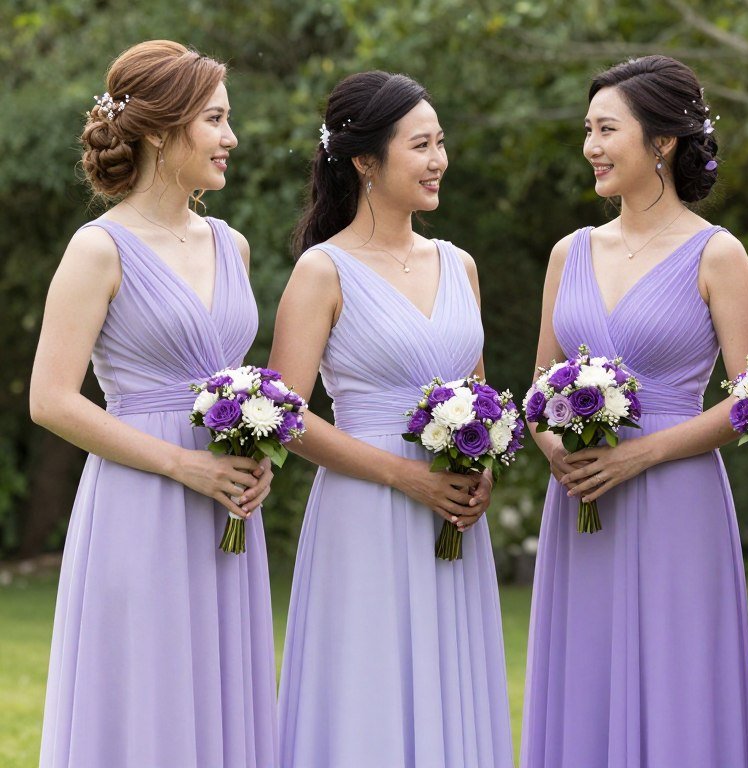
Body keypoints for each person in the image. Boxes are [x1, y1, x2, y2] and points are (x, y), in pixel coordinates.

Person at [31, 40, 277, 767]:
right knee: (148, 694)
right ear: (162, 131)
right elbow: (49, 398)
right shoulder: (98, 249)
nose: (231, 138)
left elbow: (234, 375)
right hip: (140, 501)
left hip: (228, 505)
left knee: (220, 694)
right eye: (216, 120)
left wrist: (251, 452)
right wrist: (183, 466)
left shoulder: (231, 246)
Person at [520, 55, 748, 768]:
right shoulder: (570, 253)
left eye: (605, 129)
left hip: (676, 498)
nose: (591, 146)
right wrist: (554, 450)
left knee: (676, 676)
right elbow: (538, 383)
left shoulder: (718, 255)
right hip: (582, 502)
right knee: (586, 675)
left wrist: (641, 453)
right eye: (587, 130)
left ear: (661, 141)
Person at [271, 71, 514, 767]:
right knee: (368, 694)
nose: (439, 159)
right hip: (364, 515)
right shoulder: (324, 271)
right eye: (421, 145)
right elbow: (286, 416)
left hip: (452, 519)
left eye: (440, 143)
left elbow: (480, 395)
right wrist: (405, 479)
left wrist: (482, 468)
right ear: (365, 162)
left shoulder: (460, 265)